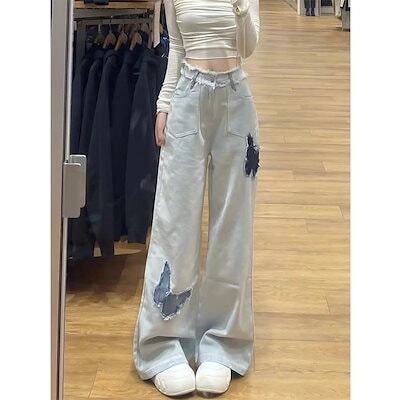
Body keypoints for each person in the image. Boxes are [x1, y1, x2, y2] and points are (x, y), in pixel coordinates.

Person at [133, 0, 260, 396]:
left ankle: (224, 342)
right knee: (174, 221)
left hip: (236, 99)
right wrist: (164, 104)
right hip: (187, 96)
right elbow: (176, 47)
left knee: (232, 227)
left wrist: (241, 7)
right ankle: (162, 344)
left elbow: (248, 46)